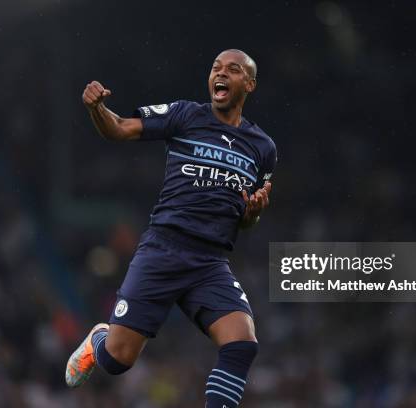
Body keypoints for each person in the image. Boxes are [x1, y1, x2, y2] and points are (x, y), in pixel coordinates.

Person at [65, 49, 277, 408]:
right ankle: (98, 338)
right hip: (164, 249)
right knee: (117, 361)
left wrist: (253, 213)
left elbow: (246, 219)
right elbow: (118, 128)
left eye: (233, 70)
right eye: (215, 68)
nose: (220, 73)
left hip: (209, 262)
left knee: (242, 344)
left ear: (249, 84)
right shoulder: (185, 115)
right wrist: (96, 109)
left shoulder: (263, 148)